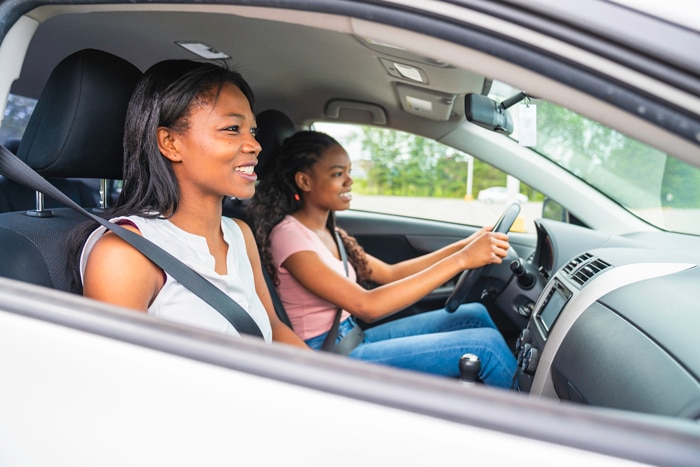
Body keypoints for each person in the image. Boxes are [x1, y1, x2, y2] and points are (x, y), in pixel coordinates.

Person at [67, 59, 307, 349]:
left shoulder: (239, 233)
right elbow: (118, 380)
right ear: (170, 143)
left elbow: (273, 329)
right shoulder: (126, 254)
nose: (255, 145)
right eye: (232, 128)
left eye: (252, 132)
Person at [248, 130, 517, 387]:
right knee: (484, 345)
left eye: (349, 172)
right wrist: (462, 260)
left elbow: (390, 274)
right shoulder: (289, 237)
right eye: (338, 174)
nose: (349, 180)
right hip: (326, 353)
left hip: (352, 336)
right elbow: (367, 306)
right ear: (304, 181)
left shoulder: (330, 231)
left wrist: (465, 245)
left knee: (474, 314)